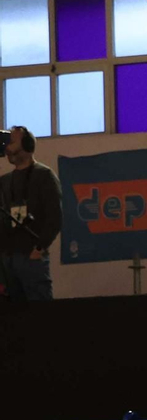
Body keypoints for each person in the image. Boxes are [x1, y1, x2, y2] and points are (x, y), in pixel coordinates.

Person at [0, 125, 61, 301]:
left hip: (32, 257)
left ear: (27, 145)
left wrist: (39, 248)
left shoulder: (44, 176)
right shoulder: (4, 181)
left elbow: (55, 218)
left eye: (11, 142)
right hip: (7, 260)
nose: (7, 146)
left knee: (40, 311)